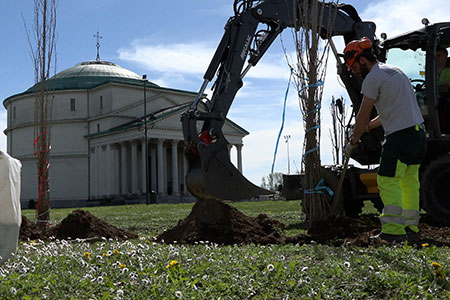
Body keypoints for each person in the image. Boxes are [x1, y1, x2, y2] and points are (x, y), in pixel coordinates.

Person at [343, 37, 427, 243]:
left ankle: (392, 232)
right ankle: (410, 229)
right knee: (409, 183)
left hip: (399, 137)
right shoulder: (396, 72)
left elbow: (363, 113)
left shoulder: (372, 78)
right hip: (417, 135)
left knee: (387, 181)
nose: (353, 71)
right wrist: (370, 127)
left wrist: (353, 141)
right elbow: (391, 110)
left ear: (363, 60)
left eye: (353, 66)